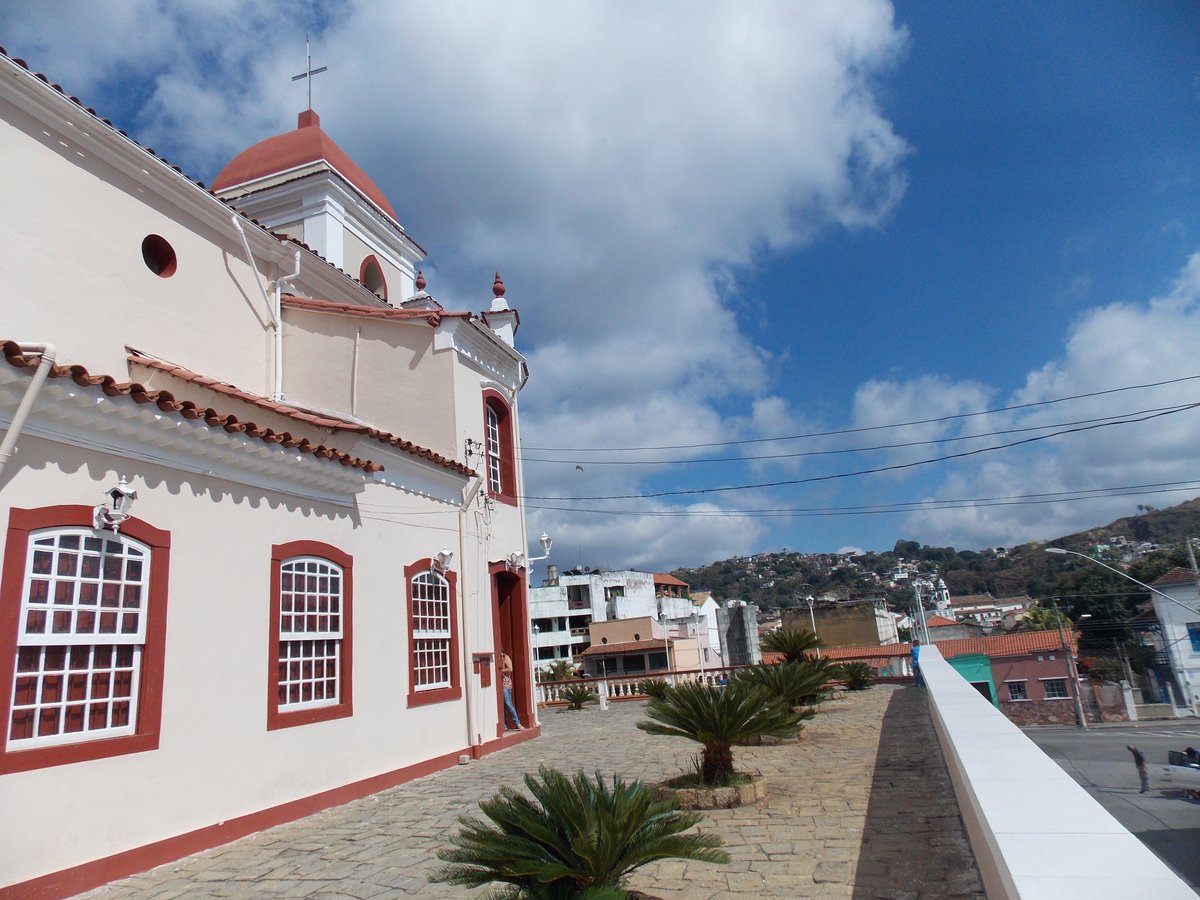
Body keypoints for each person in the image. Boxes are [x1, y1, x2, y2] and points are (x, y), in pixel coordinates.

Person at [500, 652, 524, 731]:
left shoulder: (505, 657)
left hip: (506, 684)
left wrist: (501, 670)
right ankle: (504, 724)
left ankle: (517, 723)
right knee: (501, 706)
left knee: (508, 703)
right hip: (499, 685)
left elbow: (510, 668)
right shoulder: (497, 658)